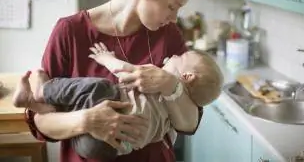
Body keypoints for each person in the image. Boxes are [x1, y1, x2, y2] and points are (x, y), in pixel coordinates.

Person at [24, 0, 204, 162]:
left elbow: (189, 122)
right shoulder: (70, 31)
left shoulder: (169, 36)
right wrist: (86, 120)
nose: (174, 18)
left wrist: (171, 85)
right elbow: (41, 122)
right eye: (171, 6)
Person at [14, 43, 223, 161]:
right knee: (81, 106)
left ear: (186, 77)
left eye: (180, 56)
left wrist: (106, 58)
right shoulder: (173, 121)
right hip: (103, 151)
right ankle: (35, 104)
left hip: (99, 139)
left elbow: (124, 71)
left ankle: (43, 91)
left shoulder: (158, 78)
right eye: (172, 6)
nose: (174, 54)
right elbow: (183, 126)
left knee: (102, 88)